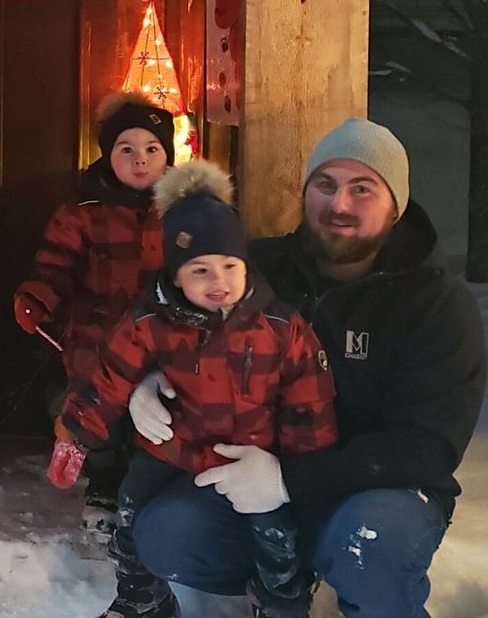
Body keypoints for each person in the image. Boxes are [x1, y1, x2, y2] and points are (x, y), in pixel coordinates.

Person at [127, 118, 487, 617]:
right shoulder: (255, 268)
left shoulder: (436, 304)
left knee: (371, 545)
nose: (339, 205)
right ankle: (281, 583)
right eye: (325, 185)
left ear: (396, 205)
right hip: (253, 478)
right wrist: (149, 379)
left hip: (378, 491)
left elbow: (428, 447)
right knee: (168, 533)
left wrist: (289, 481)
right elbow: (167, 314)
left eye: (362, 188)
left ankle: (358, 583)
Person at [50, 160, 338, 618]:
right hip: (173, 451)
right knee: (130, 513)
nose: (218, 282)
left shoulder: (280, 327)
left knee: (277, 538)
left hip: (251, 457)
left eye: (229, 266)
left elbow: (309, 400)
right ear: (176, 274)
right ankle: (141, 600)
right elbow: (109, 376)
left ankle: (282, 605)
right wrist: (76, 432)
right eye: (199, 270)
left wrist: (301, 472)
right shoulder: (149, 320)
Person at [14, 93, 173, 534]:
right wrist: (38, 297)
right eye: (127, 150)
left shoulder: (187, 210)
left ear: (168, 156)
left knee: (160, 415)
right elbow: (55, 265)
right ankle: (102, 482)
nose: (139, 160)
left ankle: (146, 485)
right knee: (97, 412)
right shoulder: (82, 211)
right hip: (98, 333)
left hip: (166, 335)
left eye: (151, 150)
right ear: (108, 155)